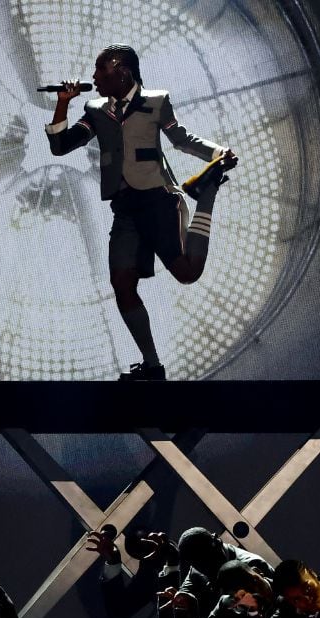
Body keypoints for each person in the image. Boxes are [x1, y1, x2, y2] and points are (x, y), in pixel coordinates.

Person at [46, 44, 239, 380]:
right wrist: (63, 104)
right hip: (125, 208)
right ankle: (152, 367)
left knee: (187, 272)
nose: (93, 77)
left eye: (100, 70)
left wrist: (217, 152)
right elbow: (60, 146)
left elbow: (180, 138)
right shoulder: (95, 110)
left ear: (121, 69)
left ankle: (205, 195)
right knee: (121, 283)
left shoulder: (156, 101)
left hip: (158, 198)